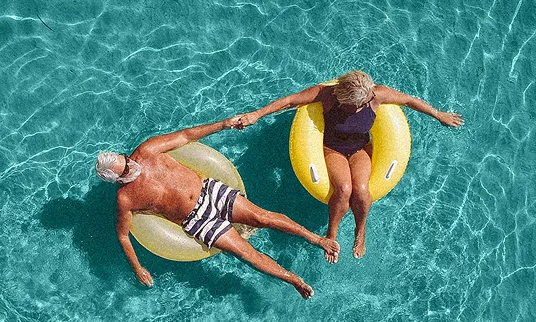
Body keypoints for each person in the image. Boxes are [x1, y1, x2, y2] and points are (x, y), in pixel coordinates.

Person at [232, 70, 463, 262]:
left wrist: (438, 114)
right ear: (344, 99)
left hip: (360, 149)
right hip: (333, 149)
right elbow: (290, 100)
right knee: (343, 189)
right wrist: (257, 114)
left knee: (362, 190)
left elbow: (409, 100)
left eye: (364, 102)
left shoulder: (376, 95)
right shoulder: (327, 95)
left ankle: (360, 230)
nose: (363, 106)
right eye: (357, 105)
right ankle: (331, 232)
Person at [96, 116, 339, 299]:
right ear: (116, 179)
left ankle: (317, 239)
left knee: (261, 217)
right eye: (126, 170)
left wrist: (224, 124)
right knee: (245, 253)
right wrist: (138, 268)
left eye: (126, 160)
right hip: (197, 221)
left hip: (209, 190)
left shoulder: (147, 150)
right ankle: (293, 279)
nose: (132, 166)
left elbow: (186, 136)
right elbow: (123, 235)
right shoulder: (125, 199)